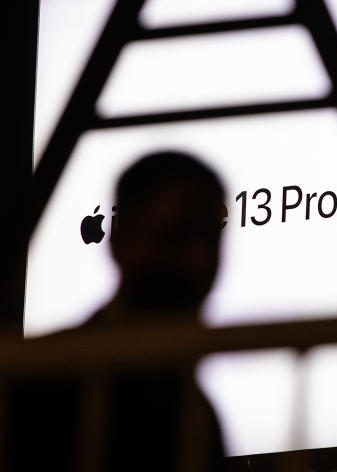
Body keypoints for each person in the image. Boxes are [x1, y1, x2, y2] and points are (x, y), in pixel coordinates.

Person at [4, 151, 227, 470]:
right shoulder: (42, 380)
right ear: (120, 240)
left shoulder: (197, 414)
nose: (197, 258)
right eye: (175, 236)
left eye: (209, 238)